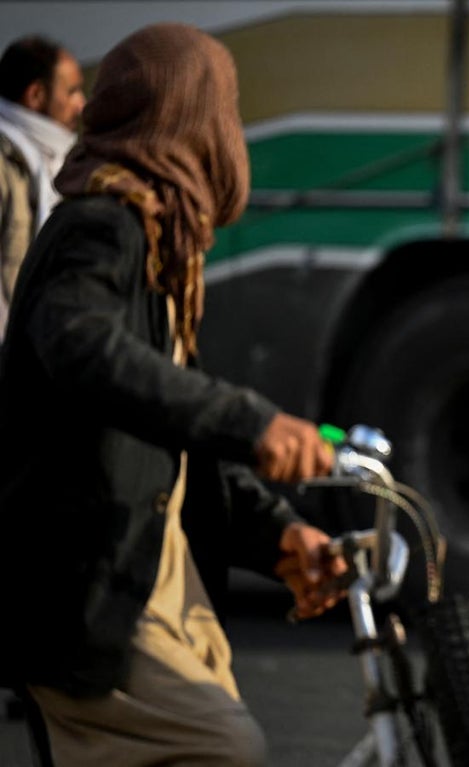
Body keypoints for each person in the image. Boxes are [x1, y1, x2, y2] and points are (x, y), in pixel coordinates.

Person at [0, 23, 347, 767]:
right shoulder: (101, 226)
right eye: (222, 108)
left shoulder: (158, 243)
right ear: (187, 120)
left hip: (154, 572)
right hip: (89, 583)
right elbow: (83, 346)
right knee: (227, 747)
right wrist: (255, 421)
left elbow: (178, 437)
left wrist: (279, 533)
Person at [0, 34, 85, 342]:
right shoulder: (4, 162)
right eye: (73, 91)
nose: (82, 104)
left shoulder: (62, 160)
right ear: (36, 95)